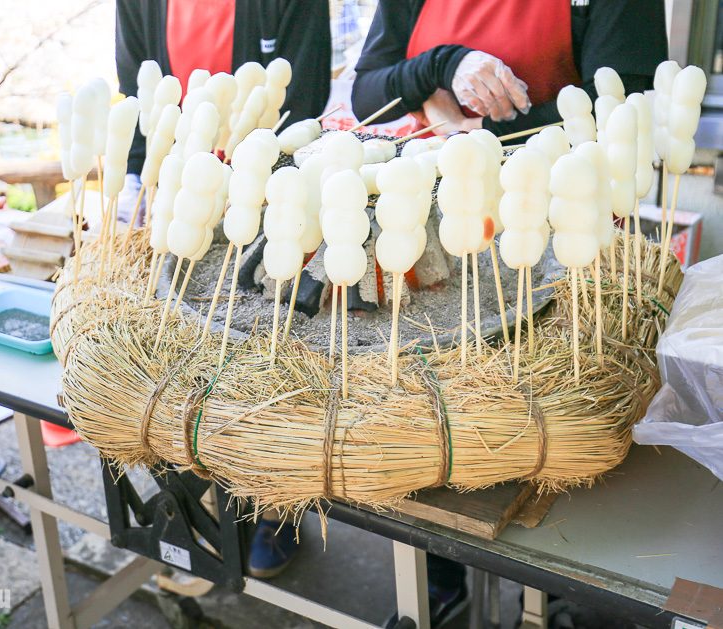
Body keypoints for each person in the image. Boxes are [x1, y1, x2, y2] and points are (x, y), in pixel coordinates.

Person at [352, 2, 667, 625]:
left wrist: (468, 138)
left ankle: (550, 594)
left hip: (558, 246)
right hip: (431, 245)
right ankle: (438, 583)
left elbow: (624, 113)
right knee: (427, 420)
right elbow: (369, 90)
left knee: (537, 441)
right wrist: (439, 68)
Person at [114, 0, 332, 578]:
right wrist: (140, 176)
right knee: (182, 348)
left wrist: (254, 173)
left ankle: (274, 504)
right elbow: (136, 83)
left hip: (264, 190)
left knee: (262, 346)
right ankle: (192, 504)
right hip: (178, 195)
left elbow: (304, 91)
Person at [114, 0, 331, 223]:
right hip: (167, 198)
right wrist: (134, 179)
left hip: (266, 195)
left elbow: (300, 100)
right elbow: (137, 91)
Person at [351, 0, 668, 138]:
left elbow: (612, 107)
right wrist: (439, 66)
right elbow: (367, 99)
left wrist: (472, 132)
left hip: (562, 212)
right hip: (424, 204)